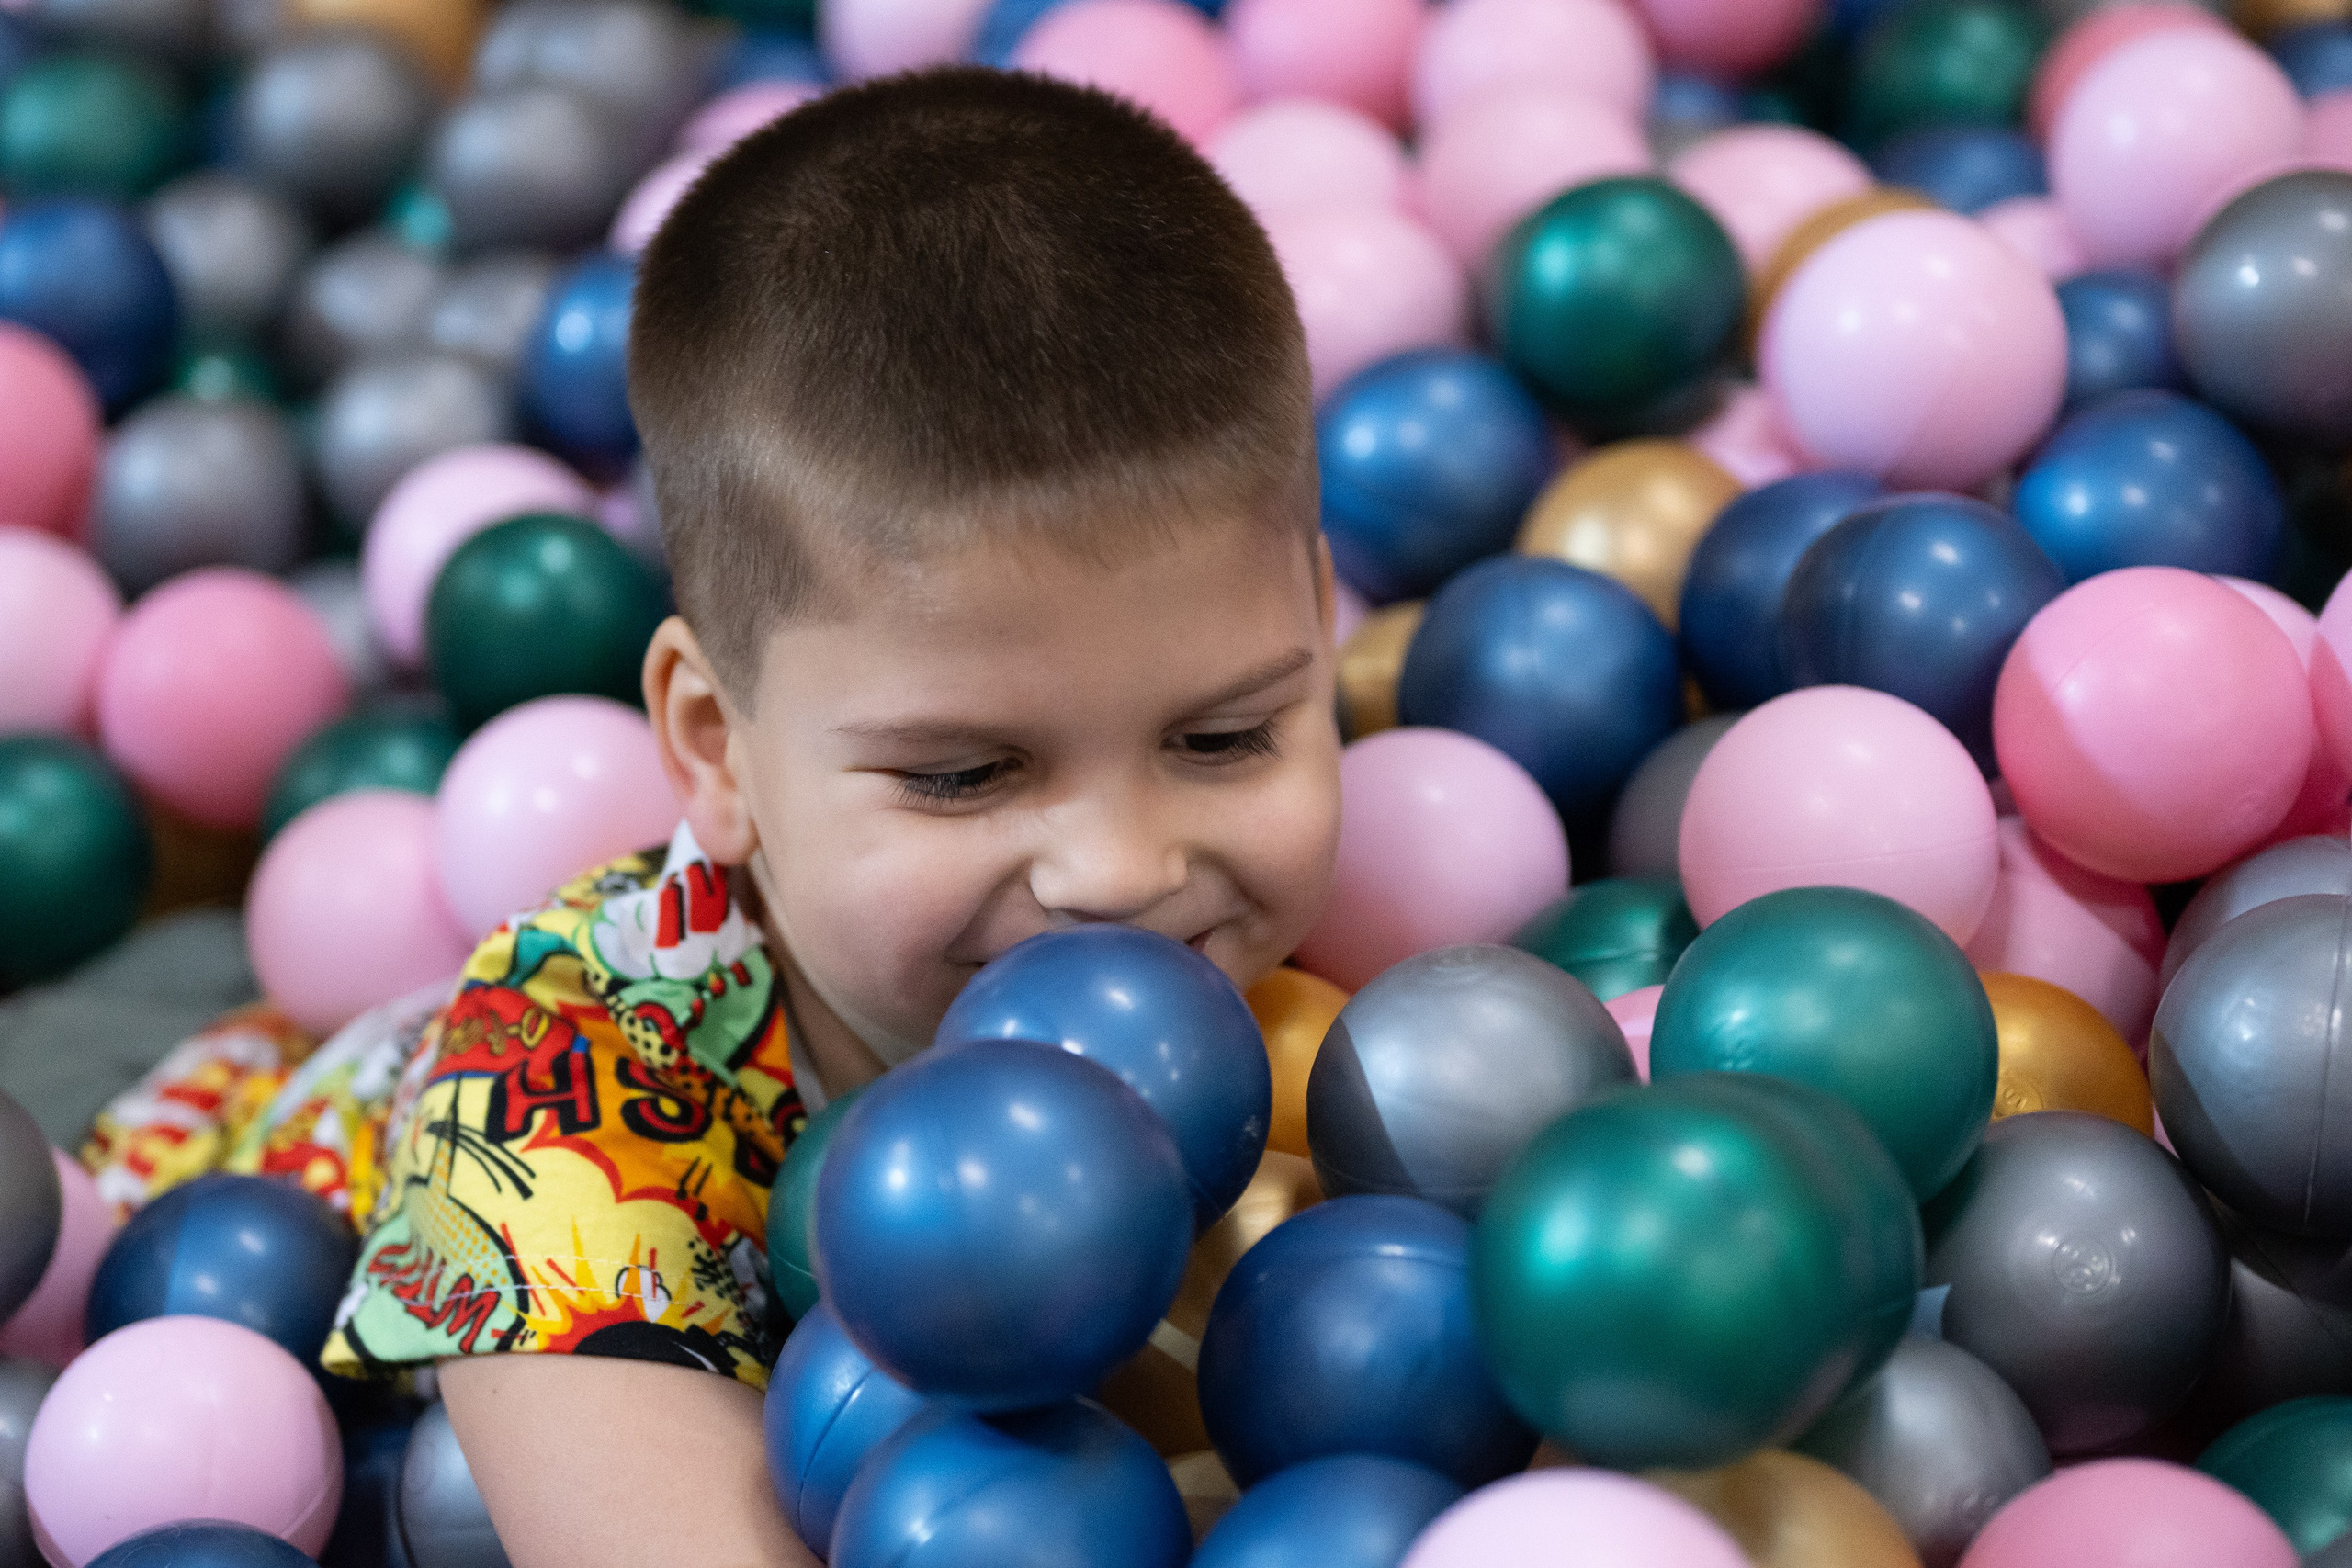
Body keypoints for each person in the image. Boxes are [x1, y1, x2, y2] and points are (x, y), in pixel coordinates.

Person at [314, 66, 1340, 1563]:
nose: (1124, 874)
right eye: (965, 774)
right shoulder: (553, 1103)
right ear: (717, 747)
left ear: (1321, 622)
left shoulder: (1383, 988)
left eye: (1227, 734)